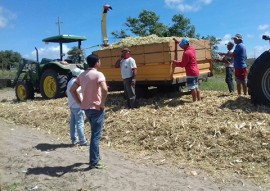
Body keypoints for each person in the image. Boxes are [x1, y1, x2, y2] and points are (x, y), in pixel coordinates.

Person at [70, 54, 108, 169]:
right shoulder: (98, 74)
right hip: (96, 109)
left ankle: (95, 157)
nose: (100, 63)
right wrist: (102, 103)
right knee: (95, 136)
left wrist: (80, 102)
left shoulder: (82, 75)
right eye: (100, 61)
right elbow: (105, 89)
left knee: (94, 134)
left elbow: (73, 90)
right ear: (97, 63)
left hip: (86, 109)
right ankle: (94, 161)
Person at [66, 68, 87, 146]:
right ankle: (82, 140)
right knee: (80, 123)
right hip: (77, 105)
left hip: (71, 105)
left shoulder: (69, 82)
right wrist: (81, 103)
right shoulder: (76, 82)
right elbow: (76, 92)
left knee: (73, 123)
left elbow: (67, 92)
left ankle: (74, 139)